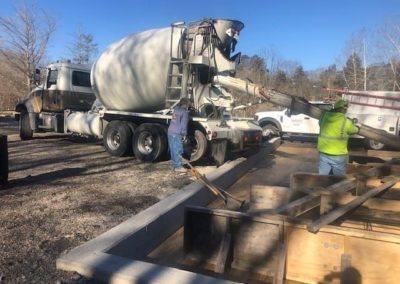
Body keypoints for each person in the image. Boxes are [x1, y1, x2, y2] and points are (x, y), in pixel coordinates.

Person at [317, 99, 359, 176]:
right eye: (345, 109)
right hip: (339, 155)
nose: (346, 111)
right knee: (338, 180)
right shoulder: (346, 122)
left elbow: (320, 123)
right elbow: (354, 130)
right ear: (343, 109)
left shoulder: (324, 117)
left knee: (322, 177)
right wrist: (358, 127)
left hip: (323, 153)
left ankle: (322, 187)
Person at [168, 97, 191, 172]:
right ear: (186, 104)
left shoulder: (176, 109)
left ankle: (173, 166)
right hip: (177, 133)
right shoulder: (184, 113)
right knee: (178, 150)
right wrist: (184, 135)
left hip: (170, 132)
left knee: (173, 149)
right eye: (188, 104)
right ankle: (178, 167)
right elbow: (183, 125)